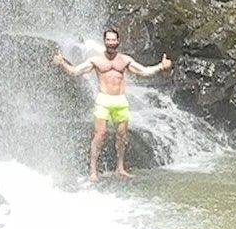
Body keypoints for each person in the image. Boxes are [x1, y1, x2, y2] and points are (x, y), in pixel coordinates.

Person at [52, 28, 172, 181]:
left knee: (122, 136)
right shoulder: (96, 60)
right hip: (103, 100)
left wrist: (161, 67)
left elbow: (143, 71)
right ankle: (93, 171)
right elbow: (76, 71)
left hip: (120, 101)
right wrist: (62, 63)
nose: (110, 43)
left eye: (113, 40)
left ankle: (120, 168)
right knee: (99, 135)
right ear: (104, 42)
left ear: (118, 41)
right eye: (108, 40)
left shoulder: (124, 60)